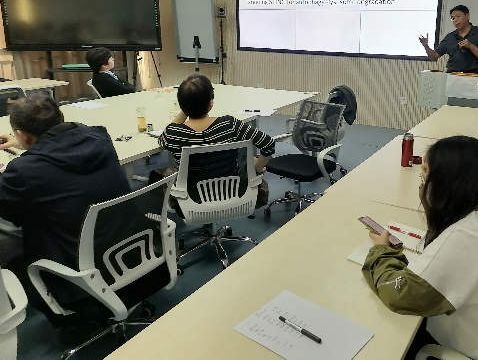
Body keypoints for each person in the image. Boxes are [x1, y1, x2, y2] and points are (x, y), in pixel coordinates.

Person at [362, 136, 478, 360]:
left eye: (426, 172)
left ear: (446, 182)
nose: (422, 177)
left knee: (386, 339)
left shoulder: (471, 235)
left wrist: (381, 251)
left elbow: (401, 294)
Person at [0, 96, 131, 325]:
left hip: (83, 277)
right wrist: (26, 145)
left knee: (13, 263)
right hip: (130, 252)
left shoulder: (24, 171)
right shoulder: (100, 137)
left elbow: (8, 210)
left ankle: (69, 321)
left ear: (23, 135)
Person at [159, 74, 275, 207]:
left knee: (158, 173)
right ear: (210, 103)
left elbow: (162, 140)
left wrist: (187, 108)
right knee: (243, 154)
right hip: (233, 194)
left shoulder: (173, 133)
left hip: (191, 203)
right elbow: (268, 143)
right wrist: (257, 169)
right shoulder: (230, 124)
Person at [418, 5, 478, 73]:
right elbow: (434, 57)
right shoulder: (449, 37)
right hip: (452, 74)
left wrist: (471, 46)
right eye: (453, 18)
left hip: (472, 75)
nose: (455, 20)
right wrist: (426, 46)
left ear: (467, 16)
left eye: (458, 16)